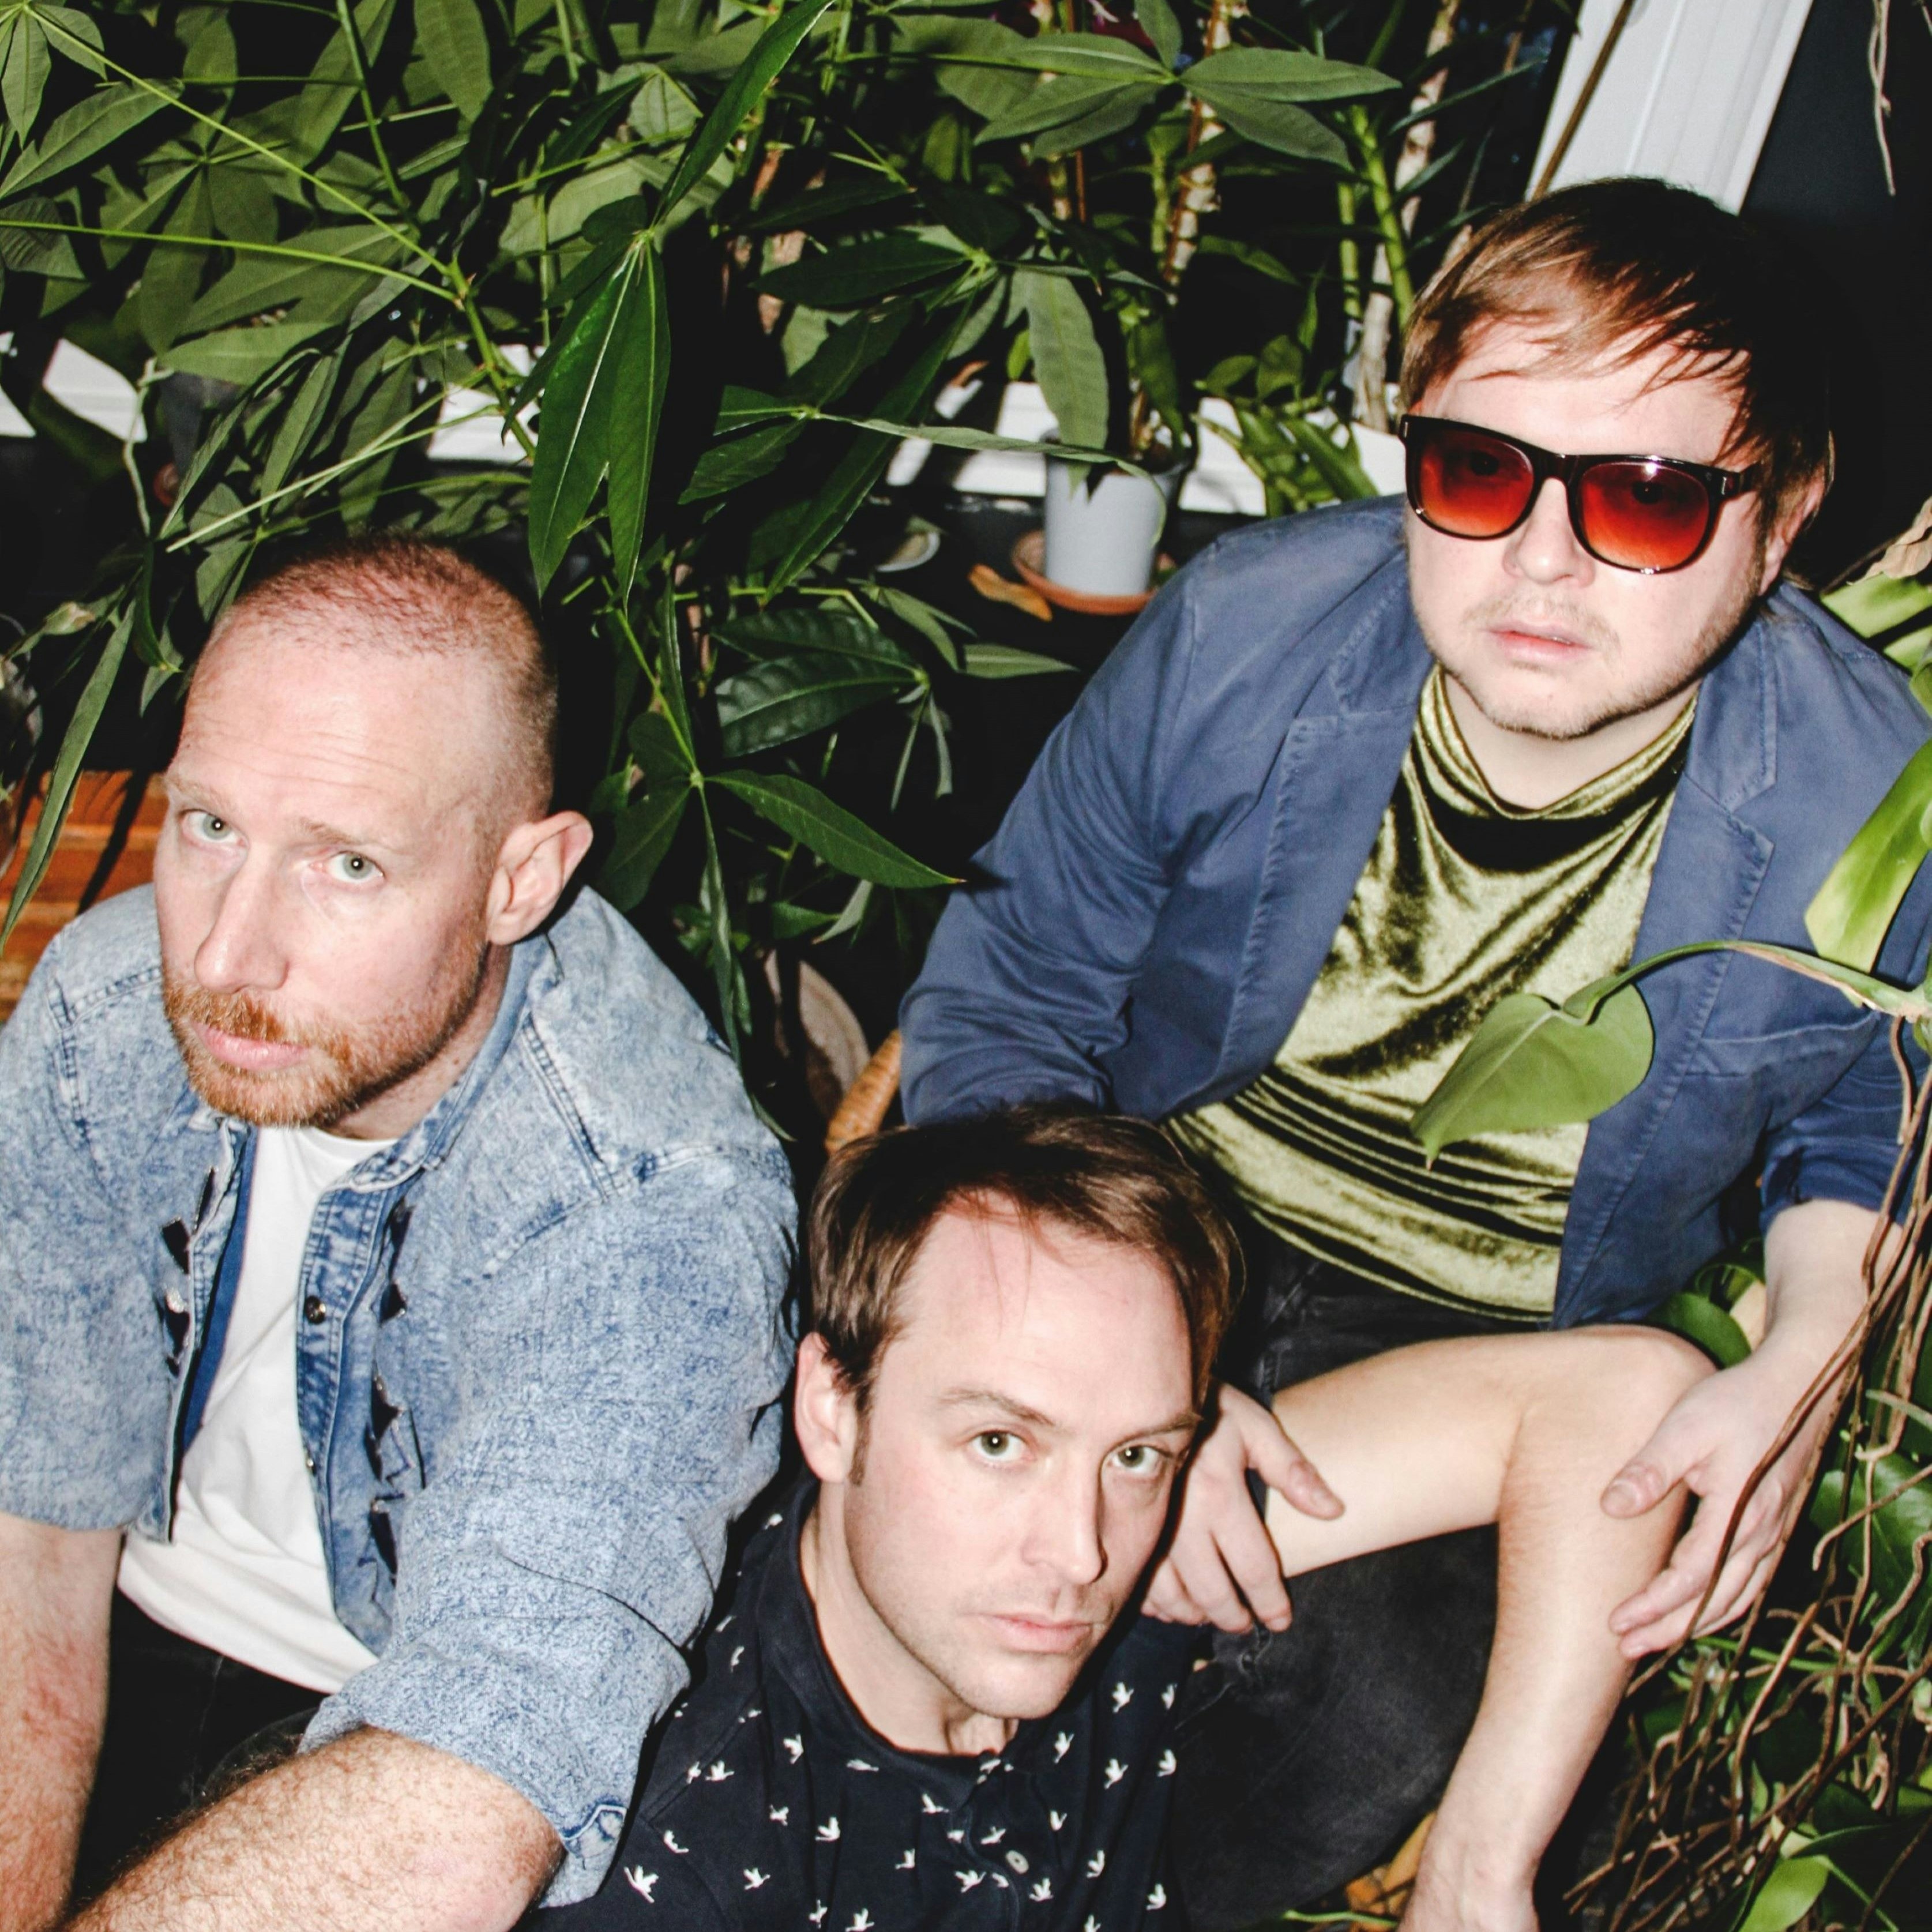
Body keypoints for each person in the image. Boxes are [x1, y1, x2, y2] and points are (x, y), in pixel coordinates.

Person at [899, 178, 1932, 1925]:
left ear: (1780, 522)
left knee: (1351, 1711)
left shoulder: (1861, 791)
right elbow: (1012, 987)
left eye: (1646, 497)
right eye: (1474, 472)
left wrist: (1806, 1352)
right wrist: (1121, 1369)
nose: (1540, 561)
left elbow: (1859, 1112)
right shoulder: (1244, 634)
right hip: (1149, 1216)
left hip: (1488, 1343)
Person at [0, 538, 796, 1931]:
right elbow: (36, 1523)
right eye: (210, 826)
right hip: (131, 1620)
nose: (225, 954)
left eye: (350, 864)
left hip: (393, 1714)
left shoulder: (647, 1205)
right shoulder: (105, 1010)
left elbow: (462, 1799)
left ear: (519, 880)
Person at [553, 1107, 1708, 1932]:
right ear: (832, 1411)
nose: (1081, 1553)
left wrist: (1476, 1872)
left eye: (1138, 1450)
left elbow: (1625, 1400)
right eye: (998, 1442)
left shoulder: (1148, 1533)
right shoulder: (689, 1850)